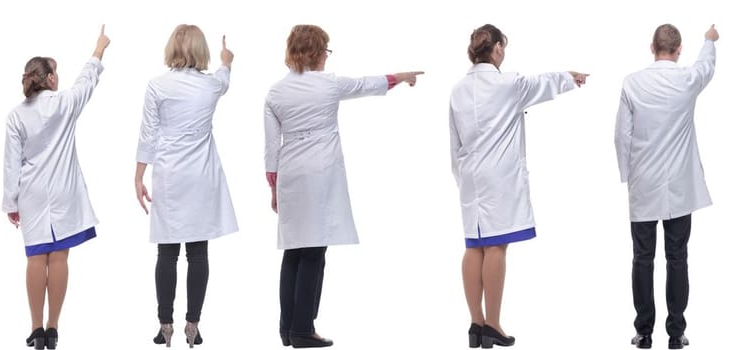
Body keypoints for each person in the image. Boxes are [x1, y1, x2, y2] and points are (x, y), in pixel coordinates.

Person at [262, 24, 422, 349]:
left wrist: (273, 186)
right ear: (317, 52)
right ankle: (304, 330)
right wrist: (401, 76)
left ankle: (287, 328)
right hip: (320, 175)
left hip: (290, 174)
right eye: (326, 50)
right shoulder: (329, 85)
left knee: (294, 250)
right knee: (314, 252)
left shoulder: (275, 92)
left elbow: (270, 148)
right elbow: (368, 84)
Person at [448, 24, 588, 349]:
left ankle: (475, 324)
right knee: (496, 245)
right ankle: (493, 324)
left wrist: (461, 177)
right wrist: (572, 76)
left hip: (470, 177)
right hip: (499, 177)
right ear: (497, 48)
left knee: (473, 246)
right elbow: (545, 83)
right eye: (503, 47)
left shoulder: (457, 89)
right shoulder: (509, 84)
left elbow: (453, 140)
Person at [3, 25, 110, 350]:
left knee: (36, 258)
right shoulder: (65, 103)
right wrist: (99, 49)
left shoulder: (16, 116)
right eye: (56, 72)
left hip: (31, 192)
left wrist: (11, 201)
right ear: (49, 78)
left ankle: (35, 328)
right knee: (59, 257)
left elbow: (11, 162)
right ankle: (52, 328)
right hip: (64, 190)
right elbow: (87, 81)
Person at [615, 24, 718, 350]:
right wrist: (710, 40)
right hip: (679, 187)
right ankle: (676, 333)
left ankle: (644, 332)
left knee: (642, 258)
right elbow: (707, 66)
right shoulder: (687, 80)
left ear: (652, 47)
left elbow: (621, 136)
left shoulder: (632, 83)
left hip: (644, 184)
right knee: (678, 258)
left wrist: (627, 176)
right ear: (678, 49)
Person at [135, 24, 235, 349]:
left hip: (169, 177)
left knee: (166, 251)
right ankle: (193, 325)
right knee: (198, 252)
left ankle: (165, 326)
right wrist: (226, 59)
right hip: (201, 177)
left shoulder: (157, 86)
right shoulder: (211, 86)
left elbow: (147, 135)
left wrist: (138, 176)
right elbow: (224, 78)